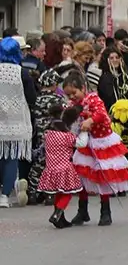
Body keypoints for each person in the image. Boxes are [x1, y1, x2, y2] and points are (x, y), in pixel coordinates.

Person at [62, 70, 128, 225]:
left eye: (74, 93)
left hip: (101, 142)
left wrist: (90, 121)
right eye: (68, 95)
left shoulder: (93, 99)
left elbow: (102, 115)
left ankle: (105, 211)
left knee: (102, 177)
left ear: (83, 88)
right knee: (82, 176)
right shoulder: (73, 105)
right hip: (85, 144)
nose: (72, 97)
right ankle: (82, 211)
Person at [0, 36, 33, 208]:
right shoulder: (22, 72)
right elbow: (31, 97)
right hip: (16, 120)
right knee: (11, 157)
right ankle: (5, 195)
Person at [38, 105, 84, 228]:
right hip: (65, 169)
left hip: (51, 169)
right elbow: (81, 144)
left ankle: (60, 219)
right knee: (67, 194)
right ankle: (57, 213)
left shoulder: (48, 135)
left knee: (59, 192)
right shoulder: (67, 137)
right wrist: (84, 132)